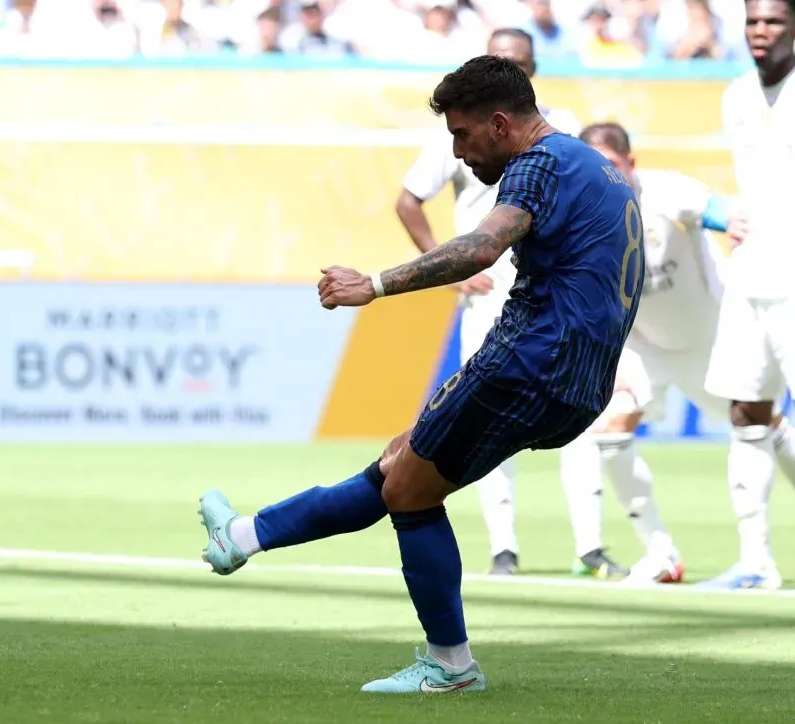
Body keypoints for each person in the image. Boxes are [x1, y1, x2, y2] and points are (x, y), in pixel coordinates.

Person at [198, 56, 644, 694]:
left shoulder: (538, 164)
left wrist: (375, 284)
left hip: (528, 363)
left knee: (408, 491)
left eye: (462, 134)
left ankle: (451, 665)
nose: (458, 151)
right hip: (577, 381)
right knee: (400, 464)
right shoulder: (592, 164)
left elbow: (481, 246)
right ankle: (241, 537)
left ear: (499, 123)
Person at [397, 28, 622, 580]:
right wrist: (448, 270)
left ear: (531, 69)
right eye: (499, 58)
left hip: (553, 286)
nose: (509, 65)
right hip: (485, 283)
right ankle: (503, 547)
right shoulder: (464, 129)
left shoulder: (556, 132)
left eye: (517, 59)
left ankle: (590, 545)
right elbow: (408, 200)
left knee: (574, 420)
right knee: (477, 421)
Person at [568, 121, 795, 585]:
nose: (602, 175)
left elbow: (713, 207)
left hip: (711, 337)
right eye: (591, 166)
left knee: (765, 425)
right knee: (608, 431)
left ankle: (754, 559)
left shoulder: (666, 192)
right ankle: (661, 554)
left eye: (611, 164)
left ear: (632, 163)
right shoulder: (578, 216)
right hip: (645, 347)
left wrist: (733, 221)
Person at [699, 0, 795, 590]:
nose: (761, 31)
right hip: (751, 274)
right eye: (753, 21)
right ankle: (755, 561)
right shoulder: (735, 95)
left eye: (774, 21)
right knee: (747, 410)